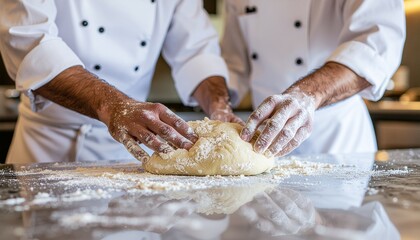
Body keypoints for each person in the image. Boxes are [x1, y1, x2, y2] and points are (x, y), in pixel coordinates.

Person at [0, 1, 242, 164]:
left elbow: (196, 50)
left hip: (131, 148)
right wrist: (116, 107)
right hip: (47, 147)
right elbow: (29, 42)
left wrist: (218, 105)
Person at [222, 1, 406, 157]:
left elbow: (375, 45)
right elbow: (233, 64)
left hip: (336, 144)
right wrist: (217, 105)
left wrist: (305, 96)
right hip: (262, 141)